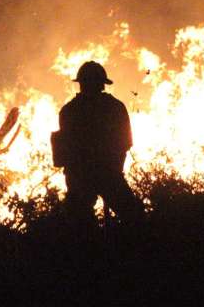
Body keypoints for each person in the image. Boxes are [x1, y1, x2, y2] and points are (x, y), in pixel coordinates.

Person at [54, 61, 144, 226]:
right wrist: (114, 170)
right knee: (135, 217)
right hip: (108, 174)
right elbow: (125, 143)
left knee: (78, 224)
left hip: (80, 176)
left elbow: (65, 150)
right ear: (102, 84)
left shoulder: (69, 110)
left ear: (80, 84)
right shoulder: (115, 107)